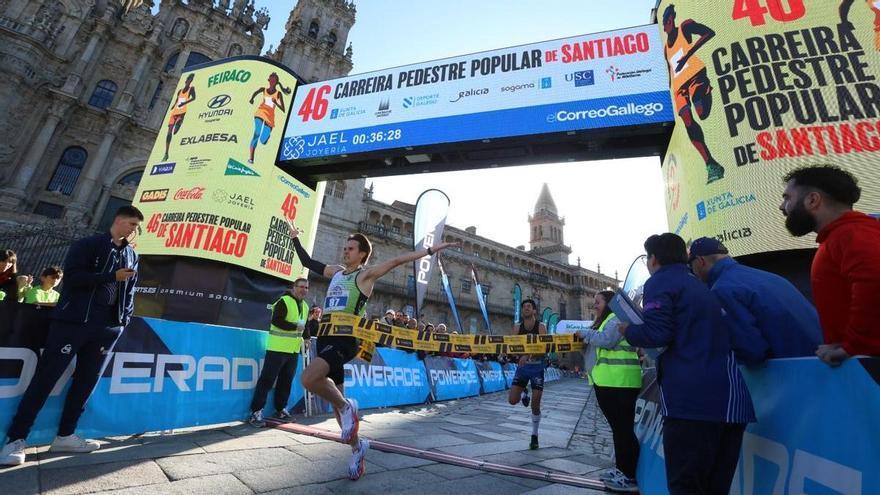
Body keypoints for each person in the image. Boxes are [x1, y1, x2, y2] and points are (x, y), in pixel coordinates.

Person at [288, 221, 457, 480]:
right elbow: (308, 262)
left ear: (362, 254)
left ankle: (347, 407)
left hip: (346, 339)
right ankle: (357, 449)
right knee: (337, 411)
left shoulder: (364, 276)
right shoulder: (336, 272)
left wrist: (431, 250)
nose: (345, 251)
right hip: (325, 337)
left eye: (351, 248)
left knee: (309, 378)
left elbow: (398, 260)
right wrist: (294, 239)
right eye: (345, 248)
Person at [1, 206, 142, 466]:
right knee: (47, 377)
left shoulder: (132, 255)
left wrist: (123, 321)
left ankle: (66, 434)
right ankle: (16, 439)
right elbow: (74, 279)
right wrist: (111, 276)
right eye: (133, 224)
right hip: (73, 322)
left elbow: (130, 290)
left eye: (137, 226)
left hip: (107, 327)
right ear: (119, 220)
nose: (135, 230)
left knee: (86, 382)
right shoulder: (87, 245)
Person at [620, 233, 755, 495]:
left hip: (692, 406)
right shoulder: (699, 285)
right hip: (731, 405)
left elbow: (657, 334)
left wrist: (629, 330)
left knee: (686, 487)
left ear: (654, 259)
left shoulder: (660, 282)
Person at [780, 165, 880, 366]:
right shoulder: (840, 236)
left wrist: (853, 346)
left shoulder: (852, 233)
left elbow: (875, 280)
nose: (782, 207)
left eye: (788, 198)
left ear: (813, 200)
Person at [688, 237, 823, 362]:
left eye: (691, 265)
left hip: (797, 373)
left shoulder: (722, 289)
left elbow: (752, 351)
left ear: (701, 262)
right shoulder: (768, 276)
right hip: (826, 361)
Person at [575, 291, 641, 492]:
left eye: (598, 302)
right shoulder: (604, 321)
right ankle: (621, 471)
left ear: (610, 303)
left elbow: (606, 340)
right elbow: (597, 347)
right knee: (619, 430)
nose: (594, 305)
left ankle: (629, 476)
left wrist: (585, 334)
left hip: (619, 382)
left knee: (623, 430)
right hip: (610, 381)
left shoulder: (615, 319)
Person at [662, 4, 724, 184]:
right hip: (678, 88)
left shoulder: (685, 27)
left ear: (670, 20)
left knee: (702, 113)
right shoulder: (666, 47)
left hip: (695, 77)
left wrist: (688, 54)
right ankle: (711, 164)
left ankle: (705, 90)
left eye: (665, 23)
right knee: (688, 121)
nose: (665, 27)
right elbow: (670, 71)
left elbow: (709, 32)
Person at [247, 278, 311, 427]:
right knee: (267, 380)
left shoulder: (306, 306)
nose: (304, 290)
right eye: (301, 287)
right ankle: (256, 412)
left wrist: (307, 337)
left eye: (306, 288)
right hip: (277, 349)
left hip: (293, 350)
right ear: (294, 288)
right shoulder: (284, 301)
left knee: (286, 381)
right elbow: (276, 321)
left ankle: (280, 409)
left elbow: (305, 325)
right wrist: (295, 327)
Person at [507, 299, 546, 451]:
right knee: (512, 401)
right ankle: (524, 393)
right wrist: (520, 354)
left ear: (534, 310)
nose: (526, 309)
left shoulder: (541, 326)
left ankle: (534, 435)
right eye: (523, 307)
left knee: (535, 405)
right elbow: (513, 347)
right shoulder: (517, 327)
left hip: (537, 368)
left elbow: (543, 349)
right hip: (523, 369)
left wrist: (528, 355)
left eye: (529, 307)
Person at [248, 72, 291, 164]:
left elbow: (283, 109)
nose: (271, 82)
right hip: (260, 113)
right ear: (268, 81)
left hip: (270, 117)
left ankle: (266, 137)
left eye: (274, 81)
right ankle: (251, 158)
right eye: (270, 80)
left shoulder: (278, 94)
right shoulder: (263, 90)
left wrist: (275, 103)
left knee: (263, 140)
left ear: (276, 82)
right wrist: (252, 99)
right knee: (256, 133)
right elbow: (255, 93)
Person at [162, 73, 196, 161]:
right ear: (186, 81)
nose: (189, 81)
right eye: (188, 79)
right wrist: (173, 105)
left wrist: (184, 103)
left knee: (175, 130)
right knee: (169, 133)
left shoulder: (191, 89)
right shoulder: (180, 90)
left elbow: (194, 98)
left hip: (182, 111)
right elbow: (177, 99)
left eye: (190, 80)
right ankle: (166, 153)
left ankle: (179, 122)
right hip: (175, 112)